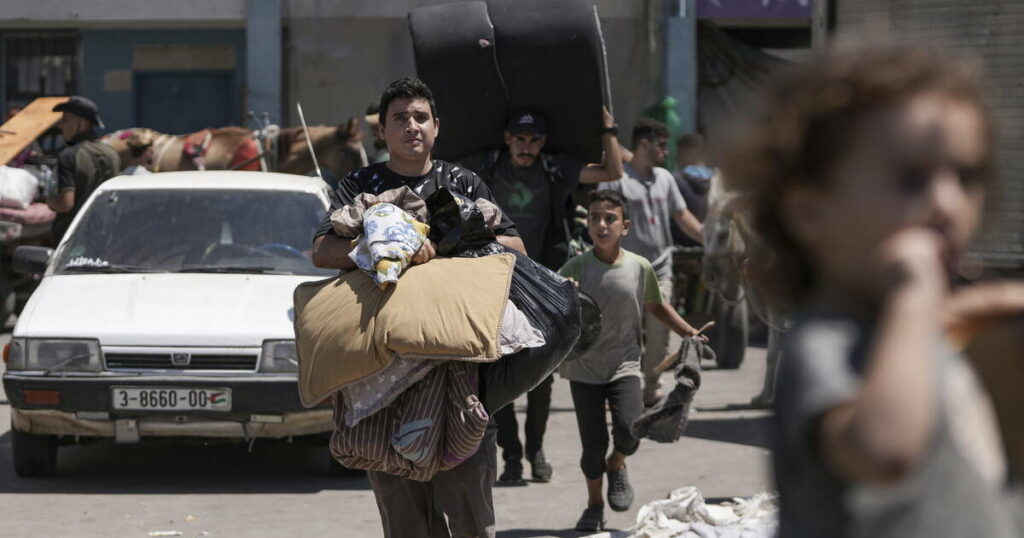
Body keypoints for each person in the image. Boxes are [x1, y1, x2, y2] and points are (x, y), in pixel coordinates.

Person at [725, 46, 1024, 537]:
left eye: (967, 178)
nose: (947, 203)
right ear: (810, 211)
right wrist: (915, 292)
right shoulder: (828, 342)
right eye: (911, 180)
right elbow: (882, 450)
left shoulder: (905, 328)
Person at [311, 76, 524, 538]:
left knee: (470, 517)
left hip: (460, 375)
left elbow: (516, 248)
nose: (411, 126)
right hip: (384, 381)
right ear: (382, 132)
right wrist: (383, 252)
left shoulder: (462, 182)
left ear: (436, 127)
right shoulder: (360, 185)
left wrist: (451, 244)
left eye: (420, 117)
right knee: (407, 523)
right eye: (399, 119)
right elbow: (323, 251)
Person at [459, 108, 624, 485]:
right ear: (507, 138)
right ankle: (512, 457)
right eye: (520, 139)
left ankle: (535, 450)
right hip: (495, 282)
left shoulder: (554, 169)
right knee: (496, 368)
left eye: (533, 140)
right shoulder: (485, 166)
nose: (526, 147)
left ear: (543, 142)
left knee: (542, 377)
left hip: (543, 284)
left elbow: (611, 172)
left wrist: (609, 128)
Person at [558, 190, 704, 532]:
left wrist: (688, 332)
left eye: (610, 219)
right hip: (584, 369)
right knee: (591, 448)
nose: (602, 225)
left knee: (630, 430)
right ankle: (594, 505)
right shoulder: (575, 267)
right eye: (595, 218)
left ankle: (617, 465)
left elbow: (656, 306)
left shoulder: (640, 267)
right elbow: (553, 303)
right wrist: (564, 290)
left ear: (625, 226)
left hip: (624, 364)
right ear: (588, 225)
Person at [598, 119, 703, 406]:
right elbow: (604, 221)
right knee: (623, 334)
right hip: (625, 271)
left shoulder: (665, 179)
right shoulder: (618, 180)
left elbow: (682, 216)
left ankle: (652, 389)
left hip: (660, 269)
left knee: (660, 335)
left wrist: (709, 239)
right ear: (644, 144)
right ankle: (620, 388)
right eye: (661, 145)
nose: (665, 152)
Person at [46, 96, 120, 242]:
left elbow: (66, 205)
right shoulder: (112, 154)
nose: (61, 126)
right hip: (107, 234)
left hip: (73, 238)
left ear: (79, 123)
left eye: (65, 119)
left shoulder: (68, 156)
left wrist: (49, 200)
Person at [670, 133, 713, 246]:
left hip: (681, 253)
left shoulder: (674, 180)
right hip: (713, 249)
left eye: (679, 152)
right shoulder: (719, 181)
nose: (676, 157)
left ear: (692, 152)